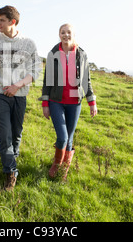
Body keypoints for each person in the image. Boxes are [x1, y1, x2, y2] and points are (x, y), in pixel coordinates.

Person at [0, 5, 42, 192]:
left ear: (12, 22)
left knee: (16, 134)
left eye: (2, 20)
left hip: (20, 96)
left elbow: (35, 71)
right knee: (5, 135)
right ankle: (10, 173)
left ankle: (11, 166)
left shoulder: (29, 44)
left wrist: (17, 85)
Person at [41, 23, 97, 181]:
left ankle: (63, 171)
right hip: (56, 101)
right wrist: (45, 104)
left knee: (70, 138)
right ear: (59, 35)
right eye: (62, 32)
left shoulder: (81, 54)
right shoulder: (53, 53)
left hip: (74, 102)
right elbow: (47, 82)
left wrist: (92, 102)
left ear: (74, 34)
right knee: (63, 137)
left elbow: (87, 81)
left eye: (68, 32)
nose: (66, 35)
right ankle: (56, 165)